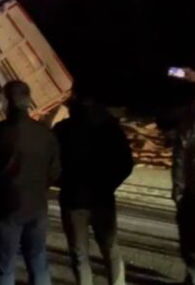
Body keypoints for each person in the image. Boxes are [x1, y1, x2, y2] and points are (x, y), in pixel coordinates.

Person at [0, 80, 61, 285]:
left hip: (5, 209)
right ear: (28, 102)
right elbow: (55, 170)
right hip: (37, 206)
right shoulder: (45, 134)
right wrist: (40, 187)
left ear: (7, 103)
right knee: (38, 260)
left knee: (4, 267)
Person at [54, 96, 132, 285]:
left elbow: (50, 163)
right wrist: (109, 184)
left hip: (73, 199)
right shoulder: (109, 130)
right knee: (110, 249)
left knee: (80, 254)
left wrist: (61, 181)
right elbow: (126, 163)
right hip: (102, 199)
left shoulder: (62, 131)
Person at [169, 67, 195, 284]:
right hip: (189, 192)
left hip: (190, 194)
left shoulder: (189, 122)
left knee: (189, 240)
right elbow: (180, 158)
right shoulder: (188, 120)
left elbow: (180, 158)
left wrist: (178, 191)